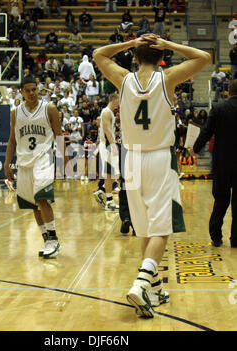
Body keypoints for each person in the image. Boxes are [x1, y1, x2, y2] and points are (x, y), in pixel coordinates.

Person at [93, 33, 210, 317]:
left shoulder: (122, 79)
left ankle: (155, 290)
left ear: (134, 57)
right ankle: (141, 282)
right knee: (161, 228)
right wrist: (168, 45)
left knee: (144, 227)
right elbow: (204, 58)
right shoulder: (167, 77)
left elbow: (99, 54)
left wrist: (129, 43)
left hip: (131, 158)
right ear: (160, 57)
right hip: (158, 156)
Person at [4, 76, 66, 259]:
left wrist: (64, 161)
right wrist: (7, 163)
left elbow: (59, 135)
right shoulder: (16, 112)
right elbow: (12, 140)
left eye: (34, 89)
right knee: (33, 204)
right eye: (28, 90)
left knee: (42, 199)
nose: (32, 93)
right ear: (21, 92)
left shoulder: (49, 109)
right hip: (24, 162)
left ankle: (54, 240)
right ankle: (46, 239)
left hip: (44, 158)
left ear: (38, 90)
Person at [192, 79, 237, 248]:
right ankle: (236, 239)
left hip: (222, 162)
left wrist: (196, 148)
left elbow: (206, 131)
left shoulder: (218, 109)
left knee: (220, 200)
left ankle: (216, 236)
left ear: (228, 92)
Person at [96, 93, 120, 211]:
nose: (120, 102)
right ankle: (109, 201)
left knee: (111, 173)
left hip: (107, 144)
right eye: (119, 100)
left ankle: (102, 191)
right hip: (107, 145)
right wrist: (113, 144)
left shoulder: (110, 112)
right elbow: (106, 129)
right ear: (114, 99)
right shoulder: (106, 112)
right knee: (109, 173)